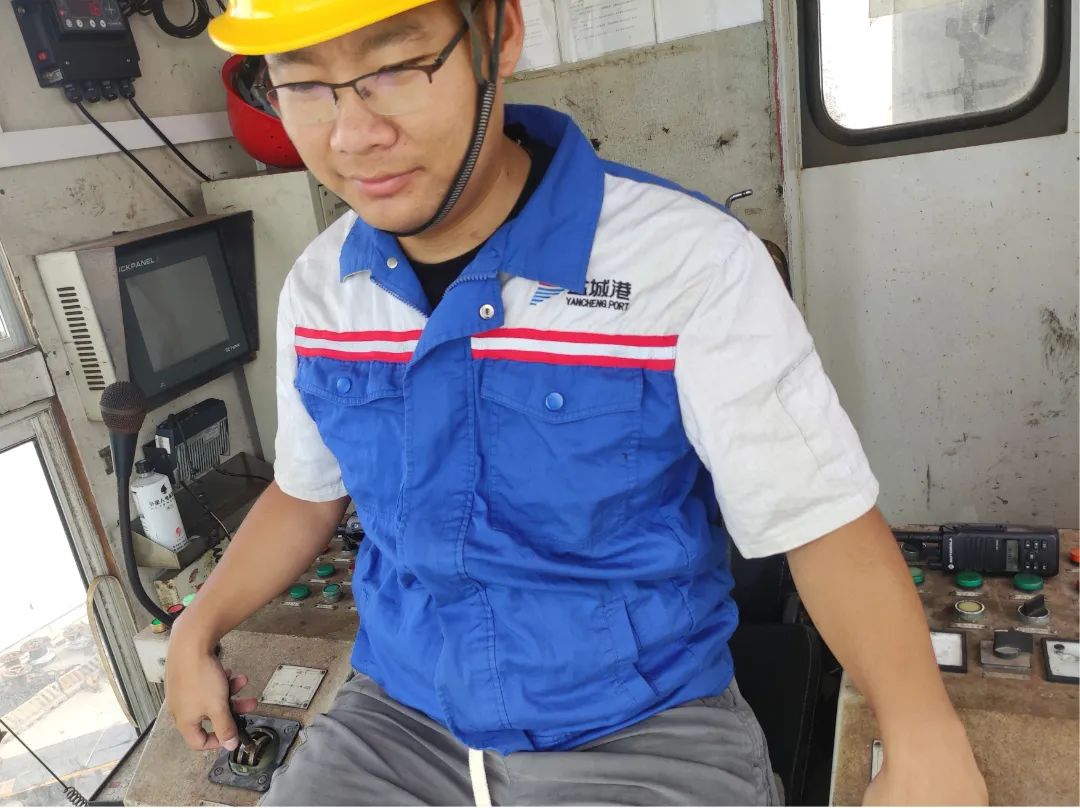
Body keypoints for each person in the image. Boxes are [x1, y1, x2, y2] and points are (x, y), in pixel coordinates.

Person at [165, 0, 988, 804]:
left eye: (396, 66)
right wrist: (194, 629)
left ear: (498, 34)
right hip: (400, 722)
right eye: (304, 83)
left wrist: (922, 736)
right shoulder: (321, 288)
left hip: (642, 731)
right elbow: (306, 493)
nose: (353, 134)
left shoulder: (688, 262)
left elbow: (818, 518)